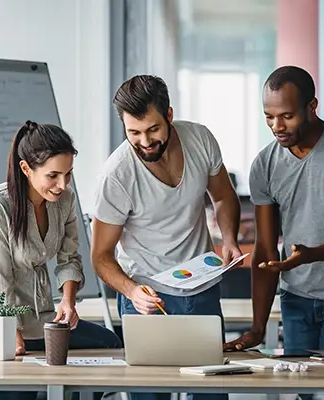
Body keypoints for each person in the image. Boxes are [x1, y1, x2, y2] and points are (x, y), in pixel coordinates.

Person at [225, 66, 324, 399]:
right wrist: (257, 326)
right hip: (296, 300)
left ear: (312, 107)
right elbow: (266, 251)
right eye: (268, 117)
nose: (277, 127)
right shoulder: (265, 164)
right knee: (304, 393)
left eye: (286, 116)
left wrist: (311, 254)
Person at [91, 75, 243, 400]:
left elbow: (223, 196)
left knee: (211, 394)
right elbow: (101, 257)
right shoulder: (116, 176)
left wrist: (229, 238)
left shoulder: (199, 138)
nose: (144, 141)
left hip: (201, 286)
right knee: (150, 395)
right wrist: (133, 291)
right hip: (147, 296)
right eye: (133, 132)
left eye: (153, 129)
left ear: (169, 115)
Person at [0, 121, 122, 400]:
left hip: (42, 317)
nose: (62, 185)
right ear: (26, 169)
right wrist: (9, 336)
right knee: (19, 387)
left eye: (68, 174)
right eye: (53, 176)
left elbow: (70, 256)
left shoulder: (65, 199)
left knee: (109, 343)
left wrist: (68, 301)